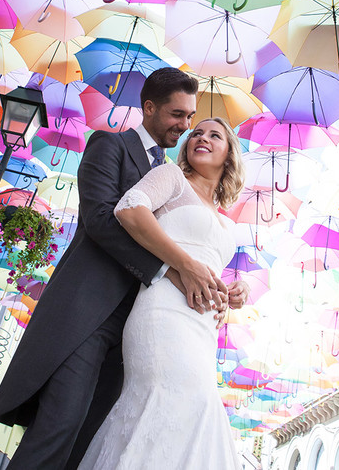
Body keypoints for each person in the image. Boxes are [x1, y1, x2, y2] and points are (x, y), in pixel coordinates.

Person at [0, 67, 247, 470]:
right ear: (149, 108)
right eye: (179, 115)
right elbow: (101, 219)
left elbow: (188, 242)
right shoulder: (109, 145)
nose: (187, 126)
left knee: (94, 439)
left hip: (140, 323)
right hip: (89, 315)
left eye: (191, 117)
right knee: (61, 425)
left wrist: (218, 284)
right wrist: (172, 271)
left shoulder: (175, 175)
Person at [77, 116, 245, 470]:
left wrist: (232, 292)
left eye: (215, 135)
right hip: (163, 312)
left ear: (229, 154)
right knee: (171, 401)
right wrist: (184, 265)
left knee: (196, 410)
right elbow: (128, 209)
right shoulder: (172, 178)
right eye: (196, 132)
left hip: (202, 328)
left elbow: (207, 267)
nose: (202, 137)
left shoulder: (226, 221)